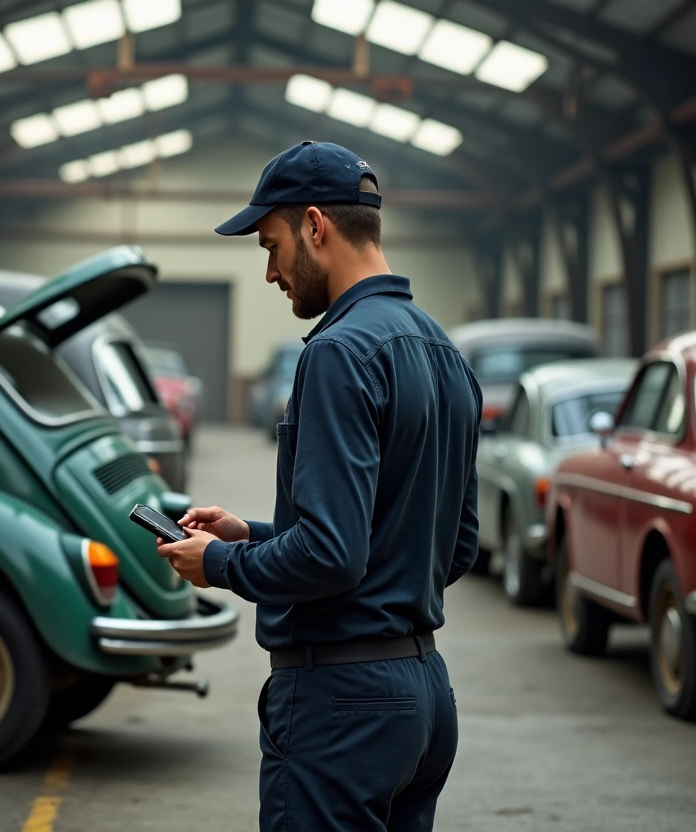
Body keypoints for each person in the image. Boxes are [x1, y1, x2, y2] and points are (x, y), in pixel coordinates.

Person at [155, 140, 482, 832]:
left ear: (314, 225)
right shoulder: (443, 352)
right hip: (423, 701)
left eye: (271, 246)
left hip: (341, 707)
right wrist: (254, 535)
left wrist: (218, 564)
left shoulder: (339, 353)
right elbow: (452, 544)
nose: (272, 272)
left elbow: (334, 555)